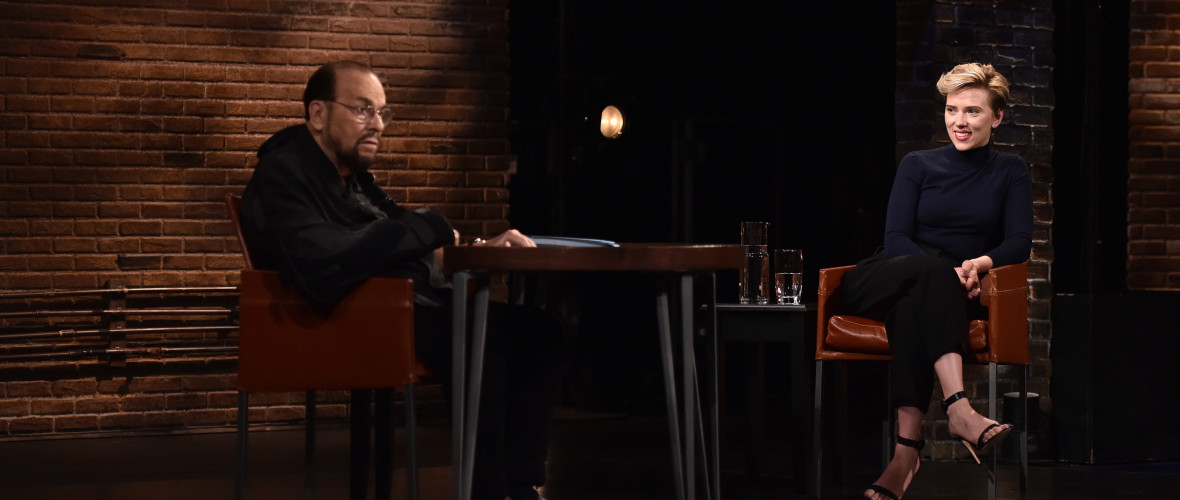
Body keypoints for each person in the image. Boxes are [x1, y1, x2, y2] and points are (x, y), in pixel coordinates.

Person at [239, 61, 560, 500]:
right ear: (318, 114)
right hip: (335, 319)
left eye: (381, 112)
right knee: (482, 336)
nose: (377, 125)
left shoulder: (354, 180)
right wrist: (431, 229)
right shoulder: (284, 172)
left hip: (389, 307)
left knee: (541, 332)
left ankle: (520, 486)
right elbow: (325, 261)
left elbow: (399, 233)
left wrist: (476, 245)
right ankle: (489, 491)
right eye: (363, 110)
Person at [841, 62, 1033, 500]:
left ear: (997, 117)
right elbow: (895, 238)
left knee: (913, 308)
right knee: (930, 274)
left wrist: (978, 264)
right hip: (887, 276)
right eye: (951, 110)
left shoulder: (1010, 170)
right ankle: (959, 409)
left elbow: (1019, 242)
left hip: (943, 291)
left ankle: (905, 454)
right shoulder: (918, 164)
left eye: (972, 111)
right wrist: (949, 273)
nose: (959, 121)